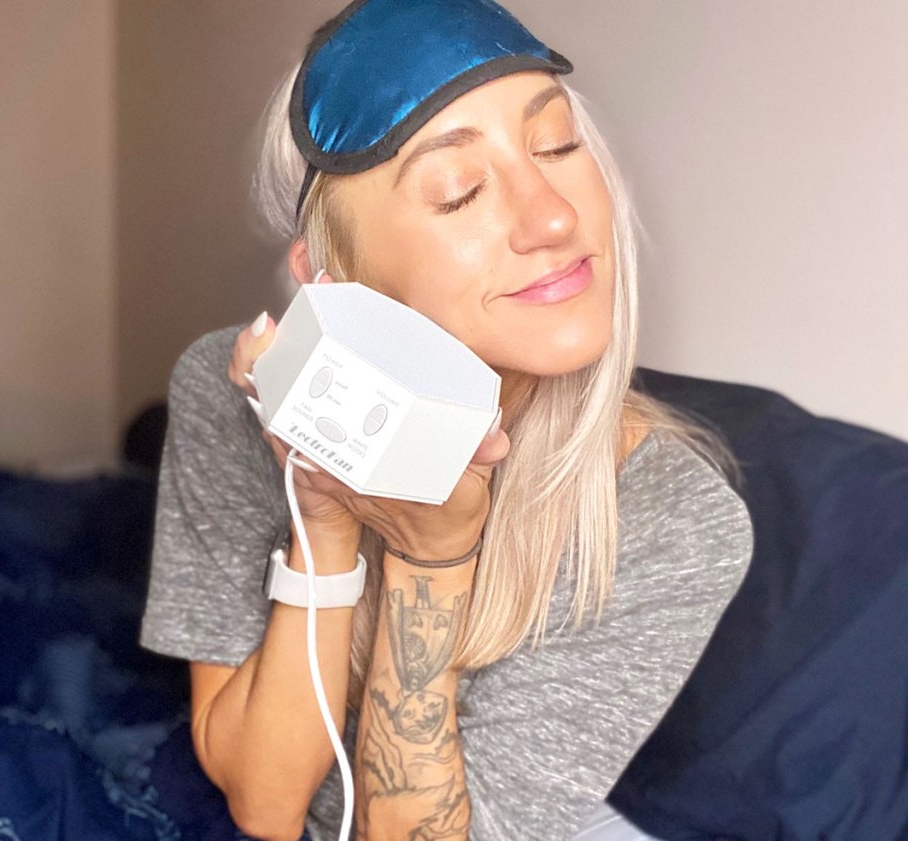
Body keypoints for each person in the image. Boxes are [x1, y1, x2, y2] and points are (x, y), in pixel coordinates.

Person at [140, 1, 753, 839]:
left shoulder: (679, 518)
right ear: (330, 277)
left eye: (558, 145)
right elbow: (265, 802)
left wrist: (435, 561)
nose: (554, 217)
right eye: (460, 191)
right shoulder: (228, 391)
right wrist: (324, 521)